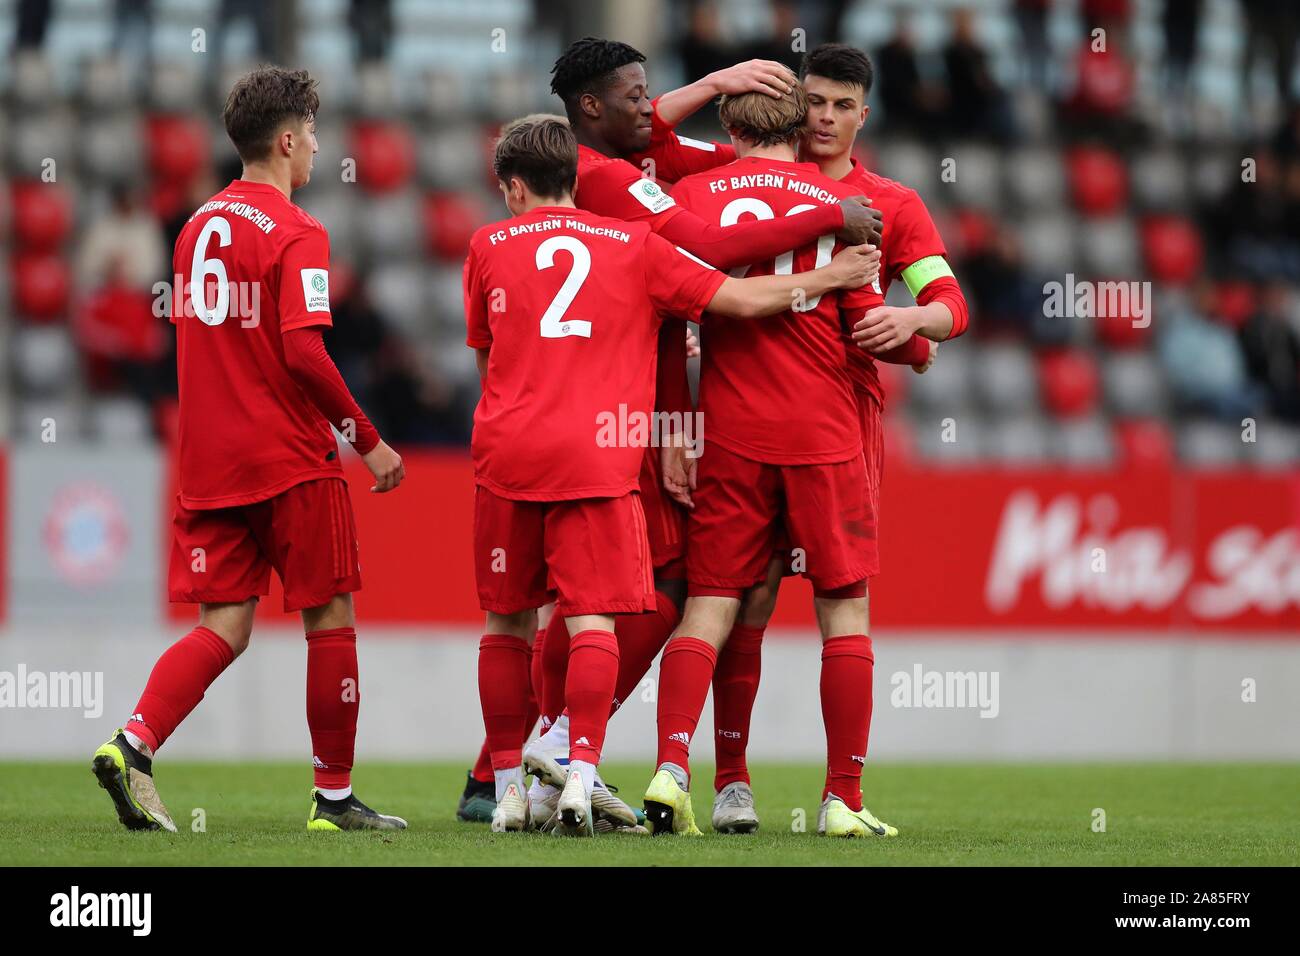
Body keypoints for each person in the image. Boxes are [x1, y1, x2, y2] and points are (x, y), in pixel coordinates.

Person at [465, 114, 879, 834]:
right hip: (598, 456)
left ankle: (507, 785)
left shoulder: (485, 244)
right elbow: (740, 296)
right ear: (580, 179)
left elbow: (485, 351)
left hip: (506, 450)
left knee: (510, 619)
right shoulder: (636, 244)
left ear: (512, 187)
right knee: (593, 615)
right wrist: (832, 275)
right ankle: (576, 771)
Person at [629, 42, 970, 835]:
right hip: (820, 432)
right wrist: (917, 340)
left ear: (863, 113)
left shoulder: (884, 200)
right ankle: (790, 792)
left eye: (839, 105)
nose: (823, 117)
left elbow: (947, 299)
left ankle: (689, 773)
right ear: (792, 106)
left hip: (774, 424)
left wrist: (916, 318)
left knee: (722, 602)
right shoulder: (830, 205)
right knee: (802, 603)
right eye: (812, 101)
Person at [91, 67, 408, 834]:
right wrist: (368, 441)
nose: (318, 150)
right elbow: (303, 354)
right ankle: (333, 798)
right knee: (330, 615)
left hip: (207, 461)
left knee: (223, 626)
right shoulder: (298, 232)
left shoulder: (196, 227)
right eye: (315, 136)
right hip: (289, 456)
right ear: (290, 140)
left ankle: (132, 744)